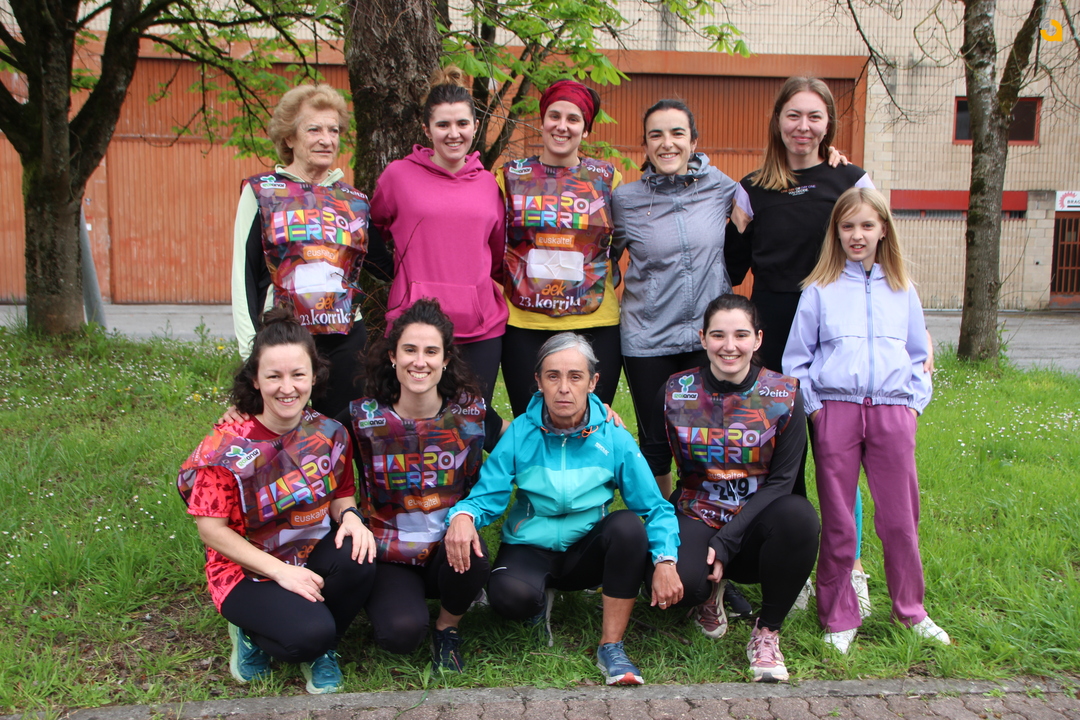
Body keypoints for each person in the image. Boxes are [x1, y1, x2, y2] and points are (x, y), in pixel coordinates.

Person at [444, 332, 682, 686]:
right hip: (529, 546)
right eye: (553, 376)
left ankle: (611, 646)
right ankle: (537, 602)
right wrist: (463, 516)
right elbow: (486, 496)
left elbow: (655, 507)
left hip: (586, 553)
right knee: (508, 599)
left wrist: (665, 559)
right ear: (538, 381)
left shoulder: (613, 435)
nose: (564, 388)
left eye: (575, 376)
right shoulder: (520, 433)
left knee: (628, 527)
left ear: (593, 382)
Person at [783, 187, 950, 654]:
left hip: (893, 414)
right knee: (839, 519)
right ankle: (838, 614)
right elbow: (797, 361)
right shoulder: (819, 289)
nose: (857, 235)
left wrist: (913, 407)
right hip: (836, 411)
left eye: (867, 225)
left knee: (900, 518)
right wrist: (817, 410)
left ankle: (910, 610)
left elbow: (918, 356)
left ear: (883, 231)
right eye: (848, 226)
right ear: (836, 232)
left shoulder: (902, 289)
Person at [177, 308, 376, 695]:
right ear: (256, 379)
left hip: (308, 551)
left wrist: (352, 516)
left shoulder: (330, 433)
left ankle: (323, 646)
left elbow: (341, 493)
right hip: (244, 570)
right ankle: (250, 632)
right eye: (274, 376)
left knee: (360, 554)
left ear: (314, 376)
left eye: (298, 374)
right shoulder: (226, 447)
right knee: (309, 635)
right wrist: (281, 572)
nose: (288, 388)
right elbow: (211, 531)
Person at [640, 294, 819, 683]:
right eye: (718, 335)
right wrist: (658, 540)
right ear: (703, 338)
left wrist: (727, 540)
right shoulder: (675, 391)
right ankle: (707, 594)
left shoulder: (784, 394)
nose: (729, 346)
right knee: (678, 590)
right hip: (697, 509)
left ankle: (767, 631)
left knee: (801, 519)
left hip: (759, 520)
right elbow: (652, 464)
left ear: (757, 339)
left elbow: (783, 482)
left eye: (741, 335)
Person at [343, 298, 505, 673]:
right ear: (392, 356)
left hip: (450, 546)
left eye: (431, 351)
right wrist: (251, 413)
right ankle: (394, 603)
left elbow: (520, 444)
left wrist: (591, 415)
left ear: (445, 359)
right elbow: (312, 440)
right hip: (388, 553)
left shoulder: (469, 413)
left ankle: (448, 627)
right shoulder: (364, 417)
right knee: (400, 635)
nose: (420, 361)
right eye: (410, 350)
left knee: (476, 554)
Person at [612, 99, 748, 499]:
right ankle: (661, 520)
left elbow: (768, 194)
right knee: (656, 442)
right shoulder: (626, 200)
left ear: (694, 142)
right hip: (647, 338)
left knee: (711, 435)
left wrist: (831, 160)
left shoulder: (720, 187)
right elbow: (601, 258)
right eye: (656, 135)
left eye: (677, 133)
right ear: (645, 145)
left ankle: (707, 514)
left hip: (709, 338)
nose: (667, 143)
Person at [231, 83, 392, 419]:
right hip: (282, 335)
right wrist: (252, 353)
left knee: (344, 434)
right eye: (314, 129)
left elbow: (386, 266)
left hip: (345, 338)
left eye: (334, 130)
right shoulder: (261, 192)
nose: (326, 139)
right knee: (284, 432)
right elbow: (243, 278)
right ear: (289, 137)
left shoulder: (354, 201)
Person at [370, 67, 507, 407]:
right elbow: (369, 231)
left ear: (475, 126)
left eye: (462, 124)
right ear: (426, 129)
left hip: (479, 330)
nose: (453, 133)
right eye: (443, 124)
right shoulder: (398, 176)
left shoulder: (489, 185)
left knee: (471, 424)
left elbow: (498, 257)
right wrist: (395, 274)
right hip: (413, 330)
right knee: (410, 423)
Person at [498, 80, 624, 416]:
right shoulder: (509, 176)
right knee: (532, 424)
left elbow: (621, 241)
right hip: (525, 321)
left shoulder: (608, 178)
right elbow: (493, 241)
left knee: (593, 421)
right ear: (542, 121)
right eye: (554, 116)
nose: (562, 126)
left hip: (595, 319)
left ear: (586, 129)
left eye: (573, 119)